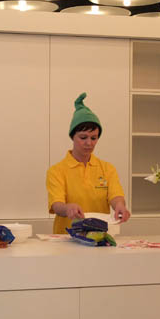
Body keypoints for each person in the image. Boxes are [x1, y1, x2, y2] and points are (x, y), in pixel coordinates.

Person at [46, 92, 130, 234]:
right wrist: (67, 208)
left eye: (94, 138)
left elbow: (115, 195)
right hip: (66, 238)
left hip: (99, 237)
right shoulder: (56, 171)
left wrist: (120, 205)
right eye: (83, 137)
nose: (89, 143)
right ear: (72, 137)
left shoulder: (107, 168)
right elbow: (56, 204)